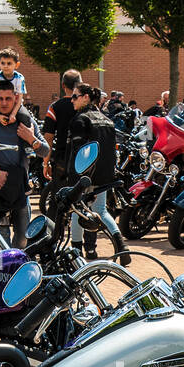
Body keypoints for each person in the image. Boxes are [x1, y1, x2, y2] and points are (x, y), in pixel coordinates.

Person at [0, 75, 47, 248]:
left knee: (23, 238)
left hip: (20, 188)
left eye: (8, 98)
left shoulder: (25, 121)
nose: (4, 103)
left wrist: (32, 139)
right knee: (1, 240)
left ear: (16, 98)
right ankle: (5, 272)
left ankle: (17, 269)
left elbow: (45, 151)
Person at [65, 83, 128, 262]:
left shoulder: (80, 120)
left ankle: (75, 252)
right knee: (101, 210)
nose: (72, 100)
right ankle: (122, 247)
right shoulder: (107, 120)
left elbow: (78, 152)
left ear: (86, 97)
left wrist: (75, 177)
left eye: (75, 96)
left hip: (84, 175)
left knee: (78, 210)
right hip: (104, 174)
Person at [42, 68, 81, 188]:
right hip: (83, 157)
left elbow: (48, 138)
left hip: (62, 158)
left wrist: (45, 163)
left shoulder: (54, 107)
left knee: (60, 197)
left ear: (63, 85)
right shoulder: (85, 106)